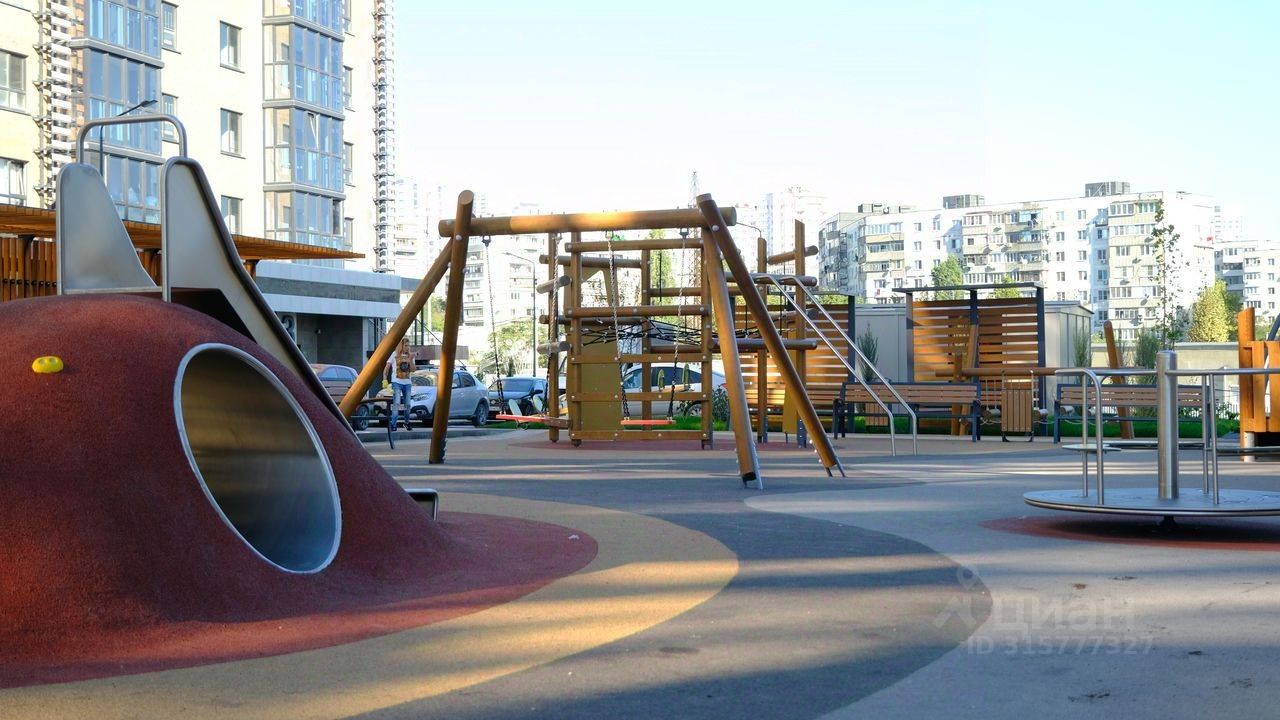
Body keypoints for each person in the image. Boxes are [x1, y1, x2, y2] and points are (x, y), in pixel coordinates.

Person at [386, 338, 416, 431]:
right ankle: (393, 424)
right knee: (397, 403)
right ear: (401, 346)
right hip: (396, 382)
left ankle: (406, 423)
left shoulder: (410, 356)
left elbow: (413, 370)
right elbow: (387, 367)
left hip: (407, 383)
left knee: (407, 404)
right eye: (406, 345)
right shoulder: (394, 354)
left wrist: (411, 359)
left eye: (409, 345)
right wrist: (384, 379)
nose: (408, 347)